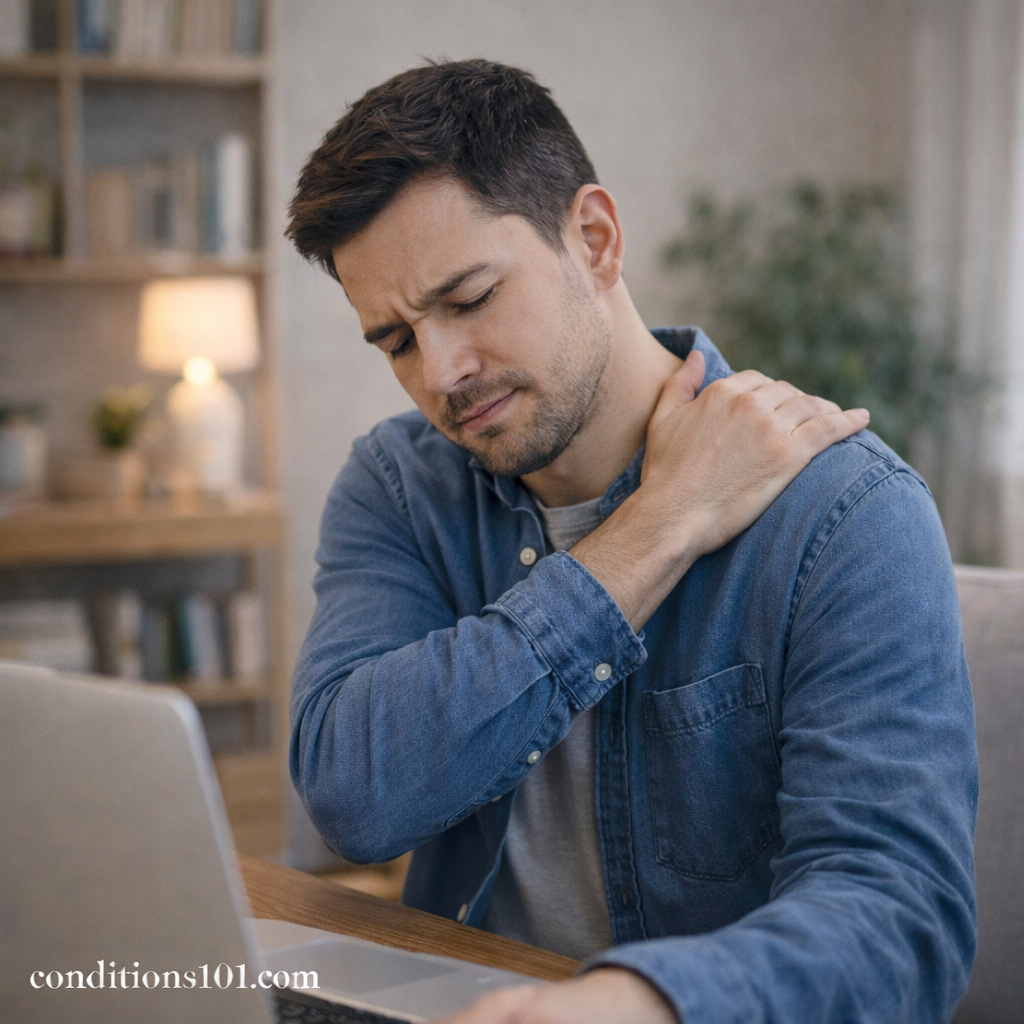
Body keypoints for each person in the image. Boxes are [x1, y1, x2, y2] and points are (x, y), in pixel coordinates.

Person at [285, 60, 977, 1024]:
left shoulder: (847, 514)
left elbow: (901, 919)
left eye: (469, 298)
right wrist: (660, 524)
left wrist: (641, 1002)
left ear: (595, 240)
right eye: (396, 341)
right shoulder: (402, 487)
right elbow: (355, 797)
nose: (440, 373)